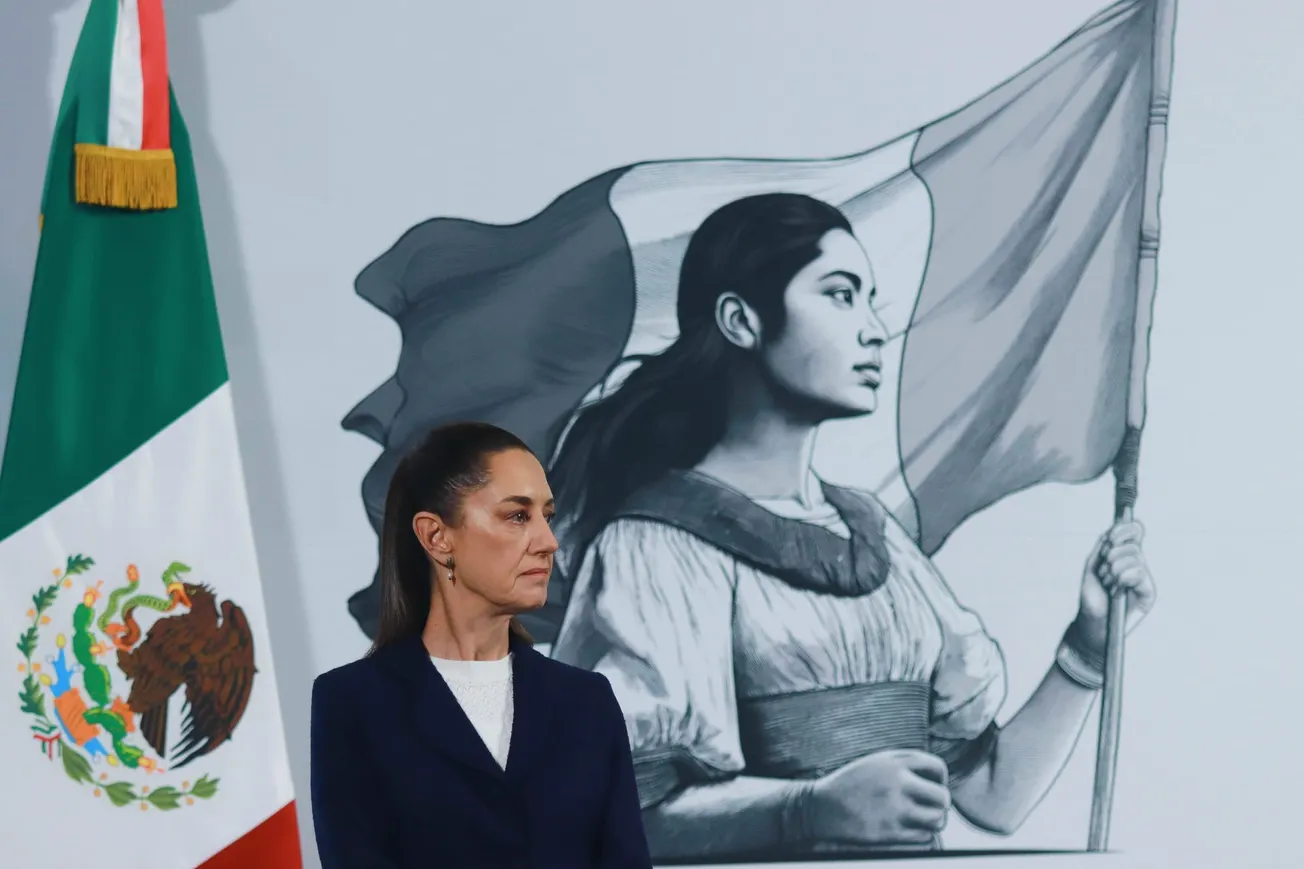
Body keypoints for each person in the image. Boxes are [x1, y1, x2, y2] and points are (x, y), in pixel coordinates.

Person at [546, 193, 1158, 861]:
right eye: (840, 296)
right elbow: (616, 812)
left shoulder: (877, 536)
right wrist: (807, 808)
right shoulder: (656, 546)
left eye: (870, 301)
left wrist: (1089, 645)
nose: (873, 330)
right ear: (741, 321)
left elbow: (992, 795)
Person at [310, 421, 652, 869]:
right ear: (436, 537)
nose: (548, 542)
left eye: (547, 517)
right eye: (517, 516)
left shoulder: (588, 700)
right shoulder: (353, 702)